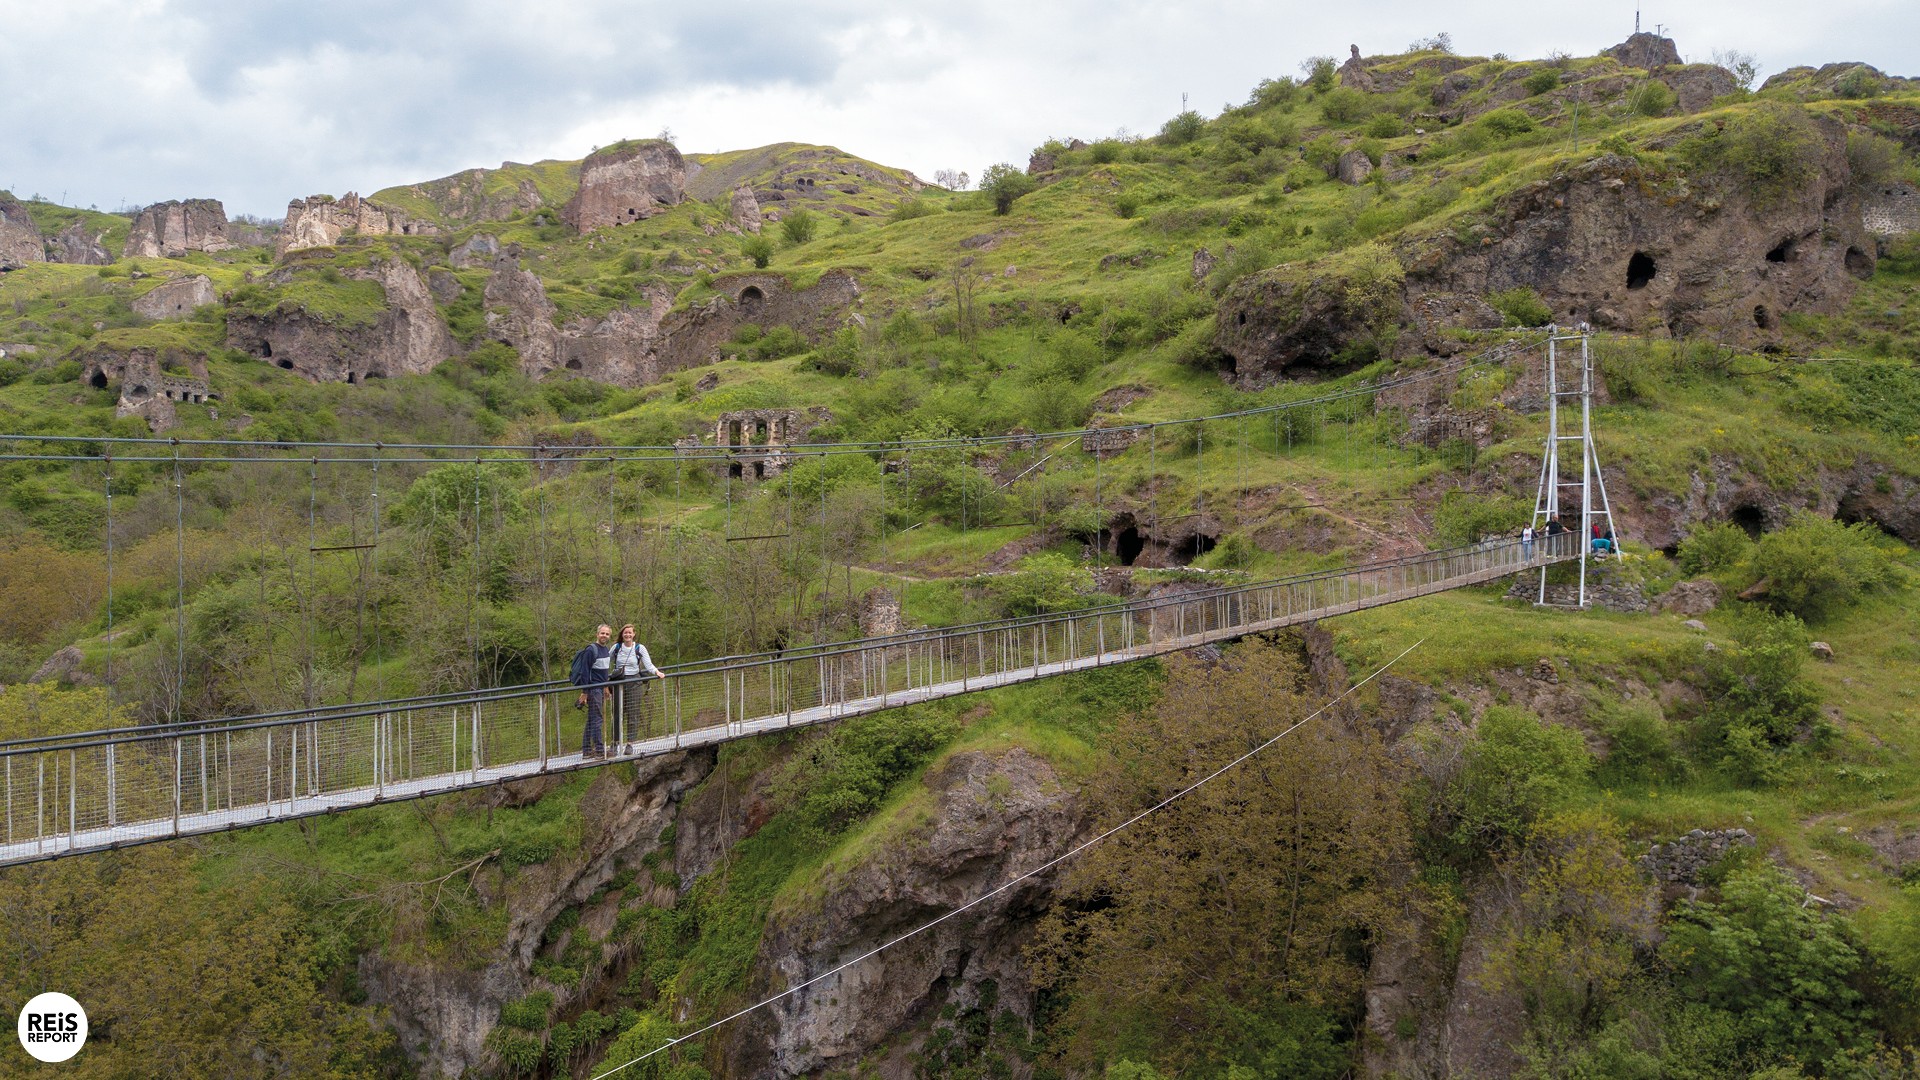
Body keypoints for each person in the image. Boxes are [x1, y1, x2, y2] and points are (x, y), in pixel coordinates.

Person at [609, 623, 667, 753]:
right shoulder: (616, 648)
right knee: (617, 713)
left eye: (630, 632)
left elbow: (648, 664)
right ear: (622, 634)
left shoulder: (640, 648)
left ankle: (629, 743)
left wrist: (657, 672)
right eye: (625, 633)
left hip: (635, 682)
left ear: (634, 634)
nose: (628, 635)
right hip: (618, 682)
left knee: (633, 713)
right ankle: (615, 743)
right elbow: (605, 662)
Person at [569, 624, 615, 759]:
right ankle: (600, 750)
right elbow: (584, 672)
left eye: (607, 634)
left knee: (592, 719)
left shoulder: (605, 650)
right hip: (593, 689)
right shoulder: (591, 650)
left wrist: (606, 686)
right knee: (597, 719)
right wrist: (585, 692)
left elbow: (604, 671)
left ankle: (587, 750)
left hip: (600, 688)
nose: (604, 636)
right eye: (602, 633)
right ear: (597, 634)